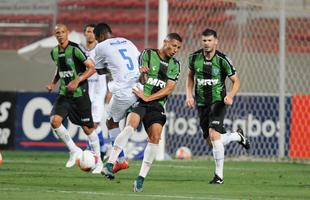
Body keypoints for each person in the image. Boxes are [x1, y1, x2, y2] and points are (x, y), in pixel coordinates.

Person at [101, 33, 183, 193]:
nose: (175, 50)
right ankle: (110, 164)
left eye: (178, 48)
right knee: (131, 126)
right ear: (165, 42)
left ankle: (140, 179)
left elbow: (169, 88)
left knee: (155, 138)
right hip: (139, 100)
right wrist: (142, 73)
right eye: (173, 45)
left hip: (156, 104)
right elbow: (141, 79)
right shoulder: (147, 54)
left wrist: (149, 97)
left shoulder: (175, 64)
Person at [185, 28, 250, 184]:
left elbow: (236, 81)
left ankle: (219, 176)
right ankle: (237, 136)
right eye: (204, 40)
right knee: (211, 141)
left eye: (209, 40)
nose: (206, 43)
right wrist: (188, 95)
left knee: (214, 135)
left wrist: (230, 96)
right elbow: (190, 77)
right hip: (201, 103)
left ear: (216, 41)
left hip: (218, 101)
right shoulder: (194, 58)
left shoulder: (222, 60)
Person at [47, 24, 102, 171]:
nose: (60, 35)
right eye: (57, 32)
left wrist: (77, 80)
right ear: (55, 35)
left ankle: (99, 161)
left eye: (63, 32)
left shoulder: (76, 49)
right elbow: (59, 68)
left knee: (88, 128)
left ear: (67, 33)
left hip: (80, 94)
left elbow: (92, 68)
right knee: (55, 121)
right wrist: (53, 83)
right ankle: (74, 150)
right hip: (65, 93)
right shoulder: (54, 52)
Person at [92, 22, 141, 173]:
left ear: (100, 36)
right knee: (131, 122)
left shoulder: (100, 46)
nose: (97, 41)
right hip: (140, 87)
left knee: (111, 123)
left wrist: (113, 68)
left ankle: (120, 160)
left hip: (124, 91)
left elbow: (99, 71)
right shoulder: (127, 41)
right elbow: (140, 61)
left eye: (96, 38)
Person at [81, 24, 111, 173]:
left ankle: (93, 150)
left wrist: (110, 89)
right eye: (88, 31)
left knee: (94, 122)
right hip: (85, 90)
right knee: (89, 123)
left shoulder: (102, 49)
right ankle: (102, 148)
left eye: (93, 32)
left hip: (99, 90)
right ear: (84, 34)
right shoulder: (80, 50)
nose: (90, 34)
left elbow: (110, 67)